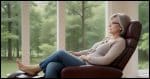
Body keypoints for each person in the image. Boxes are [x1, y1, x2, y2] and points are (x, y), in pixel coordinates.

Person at [16, 13, 131, 78]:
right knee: (53, 64)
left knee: (60, 53)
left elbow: (106, 60)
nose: (109, 25)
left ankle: (35, 68)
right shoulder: (108, 39)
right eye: (109, 23)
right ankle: (37, 69)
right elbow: (91, 50)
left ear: (121, 26)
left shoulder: (120, 42)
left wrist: (86, 58)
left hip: (89, 65)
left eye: (113, 23)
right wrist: (77, 53)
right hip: (84, 61)